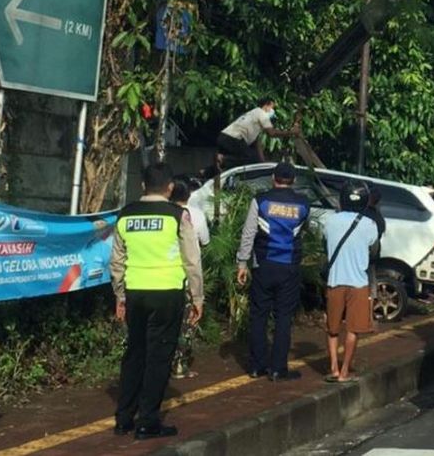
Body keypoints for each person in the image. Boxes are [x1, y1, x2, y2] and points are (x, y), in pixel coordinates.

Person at [110, 163, 204, 440]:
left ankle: (124, 418)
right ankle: (147, 421)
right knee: (159, 358)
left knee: (134, 355)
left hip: (135, 293)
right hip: (167, 294)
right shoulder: (178, 215)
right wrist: (197, 297)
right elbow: (192, 260)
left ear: (142, 186)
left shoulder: (126, 215)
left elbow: (117, 261)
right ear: (170, 187)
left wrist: (120, 296)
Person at [236, 162, 310, 381]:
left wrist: (242, 263)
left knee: (258, 315)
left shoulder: (260, 201)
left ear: (272, 178)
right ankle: (278, 368)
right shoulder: (303, 205)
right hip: (289, 266)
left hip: (263, 266)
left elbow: (248, 234)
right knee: (283, 317)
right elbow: (302, 233)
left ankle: (257, 366)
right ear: (294, 180)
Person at [323, 180, 378, 383]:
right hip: (359, 283)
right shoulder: (369, 225)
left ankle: (333, 368)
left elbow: (325, 243)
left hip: (335, 280)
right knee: (353, 329)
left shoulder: (330, 221)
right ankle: (345, 370)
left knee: (332, 328)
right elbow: (373, 248)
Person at [169, 175, 210, 380]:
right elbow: (204, 241)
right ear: (189, 194)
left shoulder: (163, 213)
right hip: (187, 275)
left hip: (163, 274)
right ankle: (180, 364)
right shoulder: (196, 215)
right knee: (188, 321)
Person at [202, 98, 299, 178]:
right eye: (272, 107)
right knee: (250, 159)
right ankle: (223, 159)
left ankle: (205, 172)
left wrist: (262, 162)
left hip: (224, 137)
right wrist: (291, 132)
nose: (272, 111)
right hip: (233, 139)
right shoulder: (261, 113)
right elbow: (272, 133)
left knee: (226, 165)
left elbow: (258, 143)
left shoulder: (253, 116)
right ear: (266, 105)